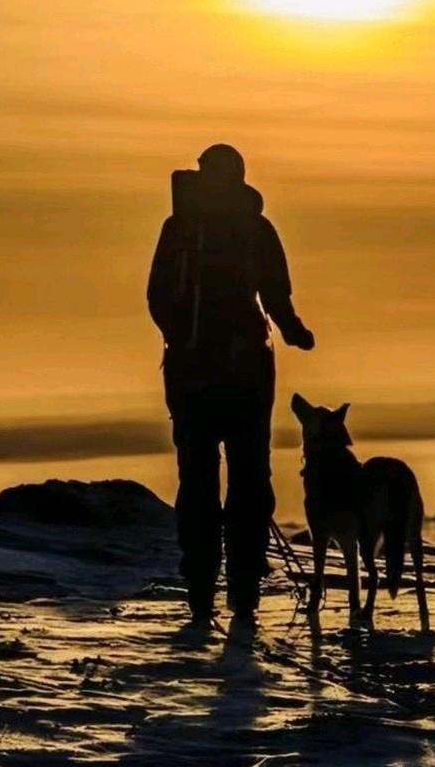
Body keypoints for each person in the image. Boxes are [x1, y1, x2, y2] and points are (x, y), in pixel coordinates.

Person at [147, 144, 315, 625]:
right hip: (245, 374)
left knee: (198, 478)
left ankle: (202, 590)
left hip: (191, 374)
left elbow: (157, 298)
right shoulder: (253, 229)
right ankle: (242, 591)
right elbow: (276, 295)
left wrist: (182, 344)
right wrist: (294, 332)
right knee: (248, 479)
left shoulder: (180, 230)